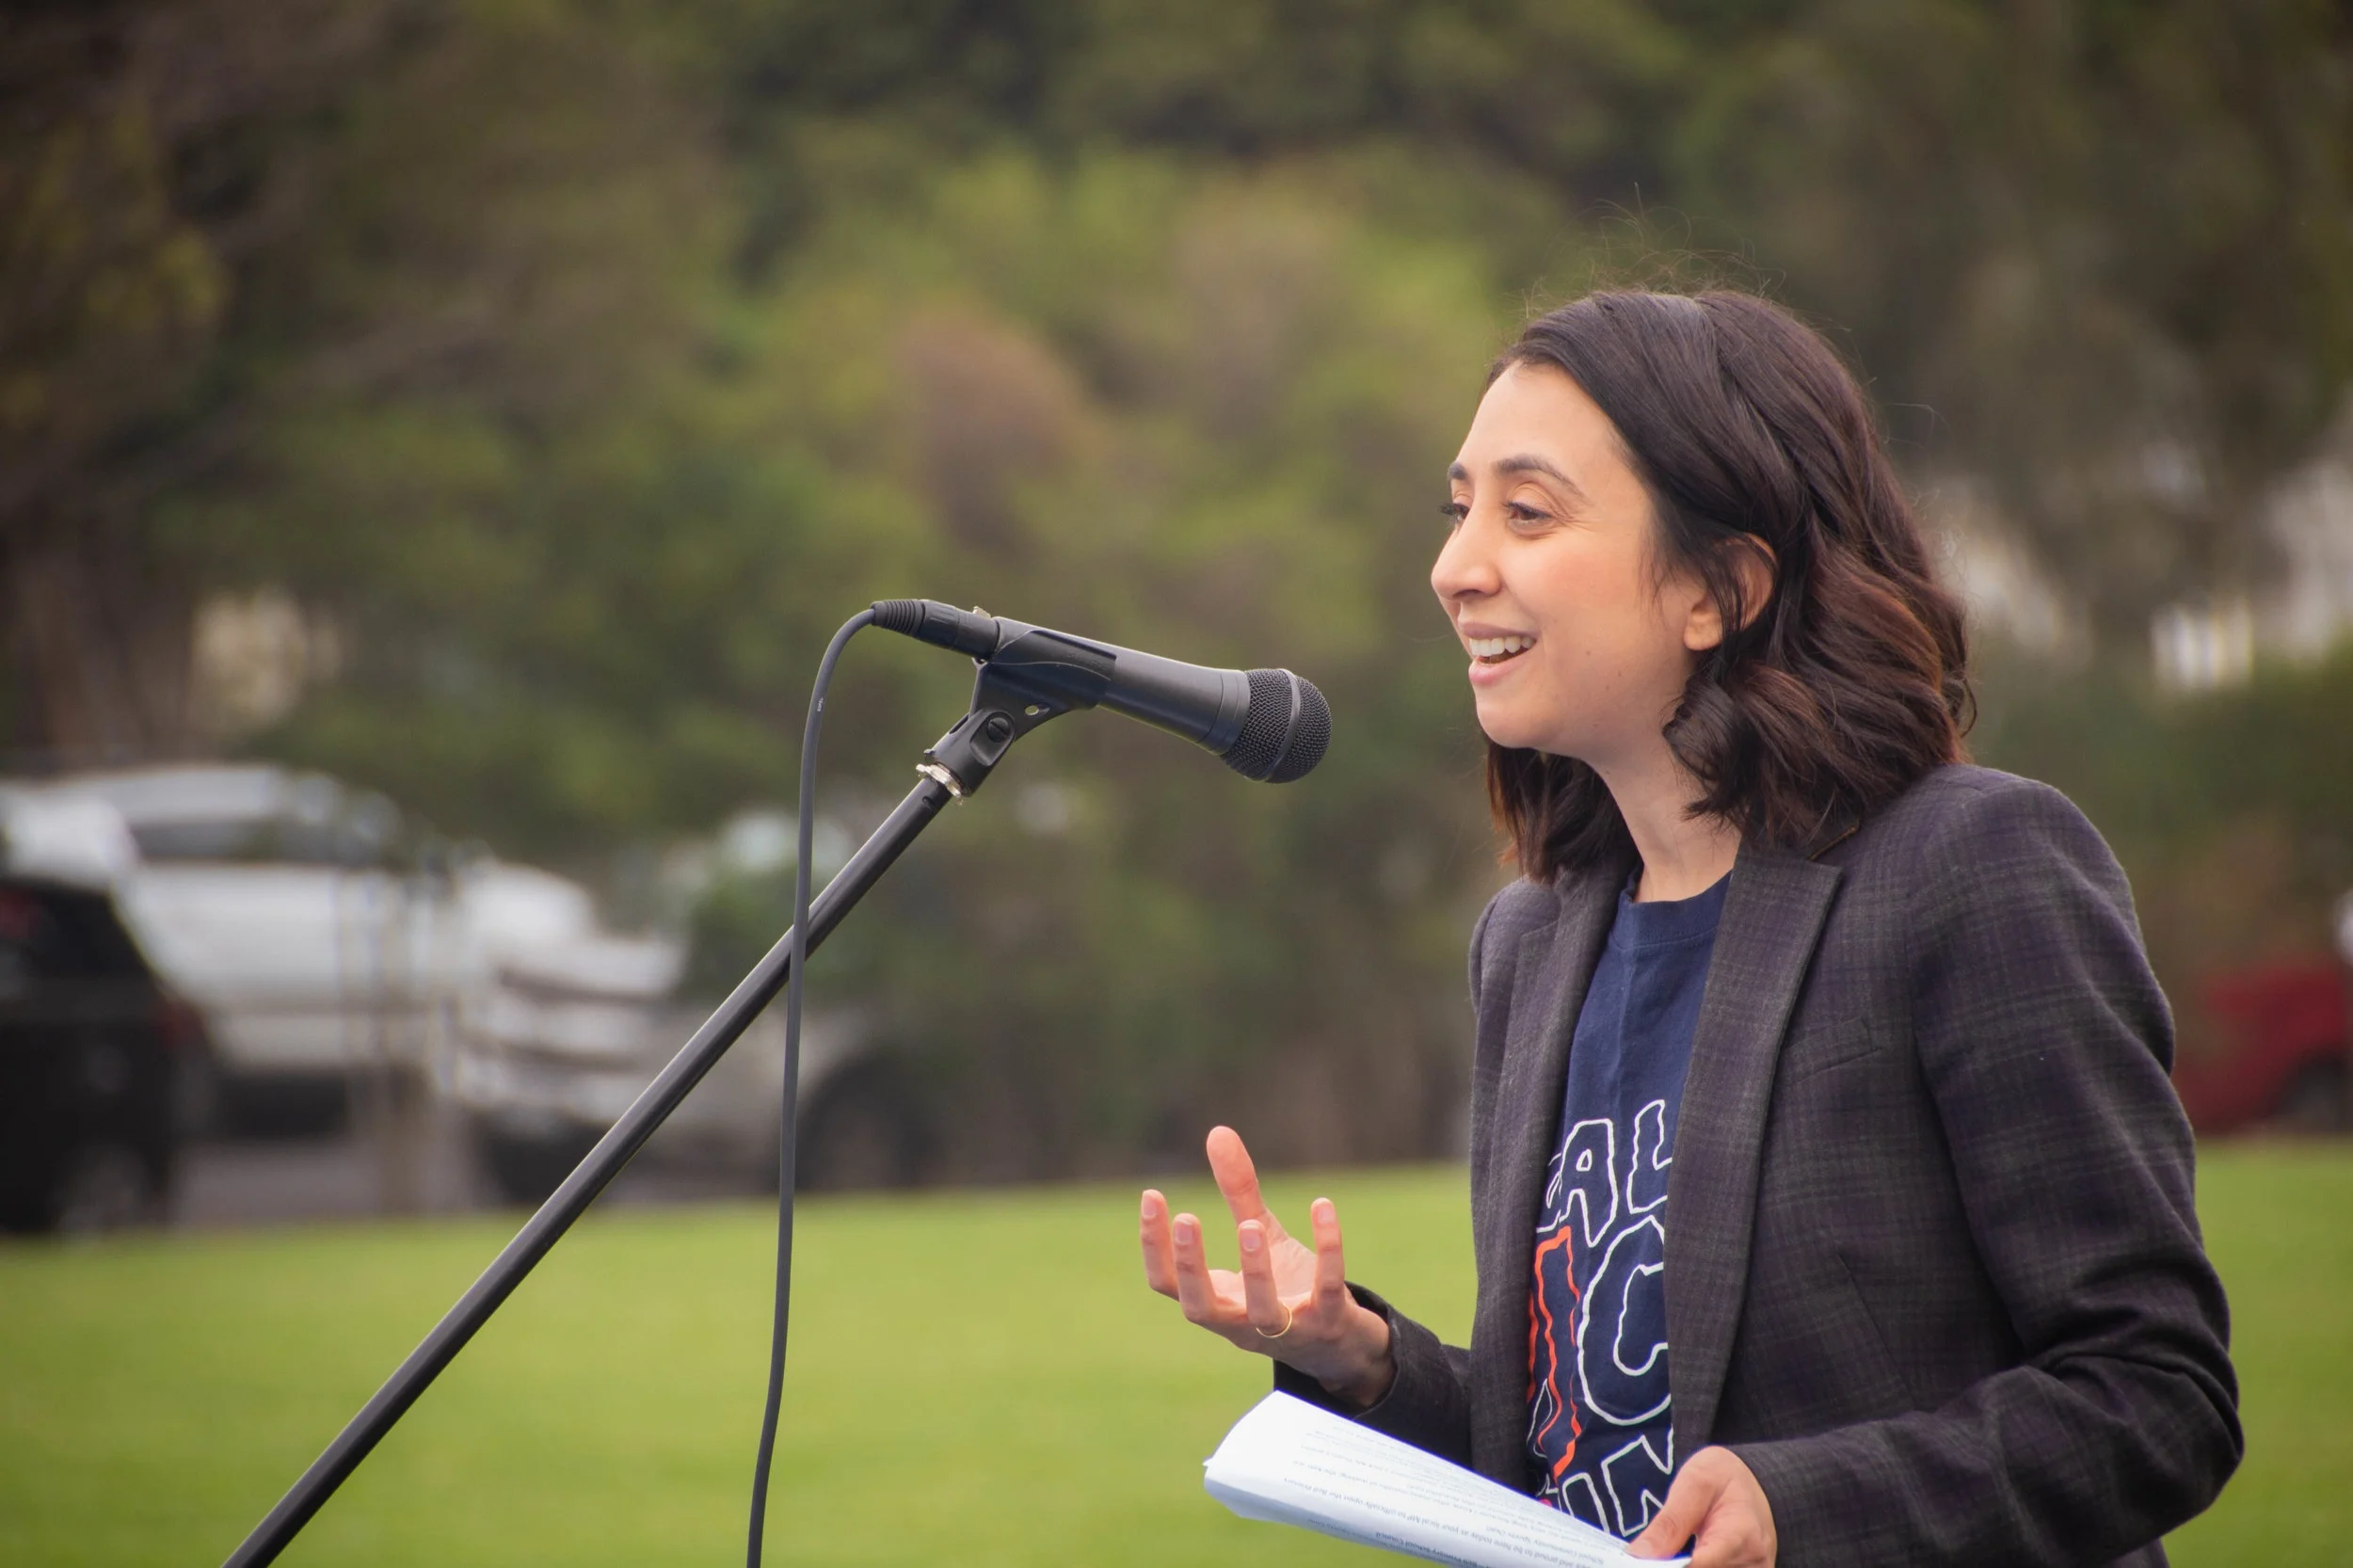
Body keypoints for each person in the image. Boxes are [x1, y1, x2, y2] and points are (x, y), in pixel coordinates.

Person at [1139, 290, 2239, 1568]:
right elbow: (1568, 1465)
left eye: (1528, 510)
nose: (1455, 566)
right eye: (1459, 508)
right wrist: (1360, 1360)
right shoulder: (1532, 945)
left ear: (1720, 587)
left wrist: (1810, 1506)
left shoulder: (1972, 872)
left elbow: (2158, 1395)